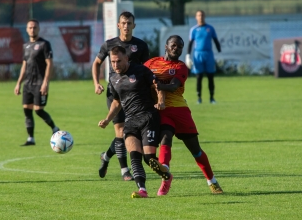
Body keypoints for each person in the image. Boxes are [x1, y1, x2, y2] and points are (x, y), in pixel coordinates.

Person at [145, 35, 223, 196]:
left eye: (180, 47)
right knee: (165, 136)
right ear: (166, 46)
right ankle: (165, 173)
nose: (176, 48)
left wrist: (155, 84)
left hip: (180, 111)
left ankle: (212, 181)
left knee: (196, 150)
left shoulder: (181, 67)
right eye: (173, 45)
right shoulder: (151, 63)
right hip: (163, 110)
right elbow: (139, 76)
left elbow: (173, 86)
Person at [98, 46, 171, 198]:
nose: (115, 65)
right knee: (134, 156)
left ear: (126, 58)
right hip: (130, 121)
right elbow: (117, 102)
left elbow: (158, 87)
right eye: (112, 62)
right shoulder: (113, 79)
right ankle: (142, 190)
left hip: (148, 117)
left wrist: (161, 101)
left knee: (149, 158)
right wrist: (107, 119)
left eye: (118, 61)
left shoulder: (141, 71)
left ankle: (166, 175)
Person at [92, 11, 150, 181]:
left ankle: (106, 157)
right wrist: (96, 83)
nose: (126, 26)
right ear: (118, 25)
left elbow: (147, 69)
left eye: (129, 23)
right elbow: (96, 63)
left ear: (134, 25)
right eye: (123, 23)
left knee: (130, 133)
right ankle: (125, 170)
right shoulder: (109, 44)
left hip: (136, 94)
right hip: (115, 93)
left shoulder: (141, 46)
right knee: (120, 130)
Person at [14, 19, 60, 146]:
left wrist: (46, 82)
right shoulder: (25, 46)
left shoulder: (45, 44)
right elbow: (24, 65)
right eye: (30, 27)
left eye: (34, 27)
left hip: (40, 83)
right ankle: (31, 139)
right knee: (27, 110)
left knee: (39, 110)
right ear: (26, 29)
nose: (32, 30)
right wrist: (18, 83)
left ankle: (55, 128)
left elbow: (49, 64)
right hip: (28, 83)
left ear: (39, 29)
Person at [186, 10, 221, 104]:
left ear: (204, 16)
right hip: (198, 54)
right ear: (196, 17)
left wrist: (220, 54)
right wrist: (188, 56)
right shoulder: (193, 29)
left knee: (210, 76)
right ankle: (199, 98)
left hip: (209, 54)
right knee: (199, 76)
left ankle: (212, 98)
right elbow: (190, 44)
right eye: (198, 15)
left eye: (202, 15)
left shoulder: (210, 28)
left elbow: (216, 41)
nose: (200, 17)